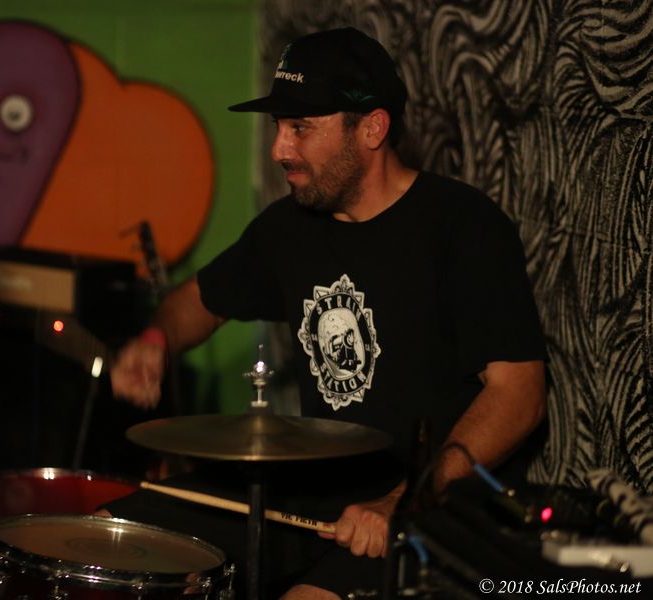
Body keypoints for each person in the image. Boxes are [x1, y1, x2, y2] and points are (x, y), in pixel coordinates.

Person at [106, 27, 547, 600]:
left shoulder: (464, 228)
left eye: (300, 128)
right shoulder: (289, 229)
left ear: (372, 128)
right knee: (112, 542)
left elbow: (519, 394)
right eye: (279, 127)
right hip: (312, 490)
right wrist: (156, 341)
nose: (278, 150)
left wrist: (406, 498)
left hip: (432, 508)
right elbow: (196, 302)